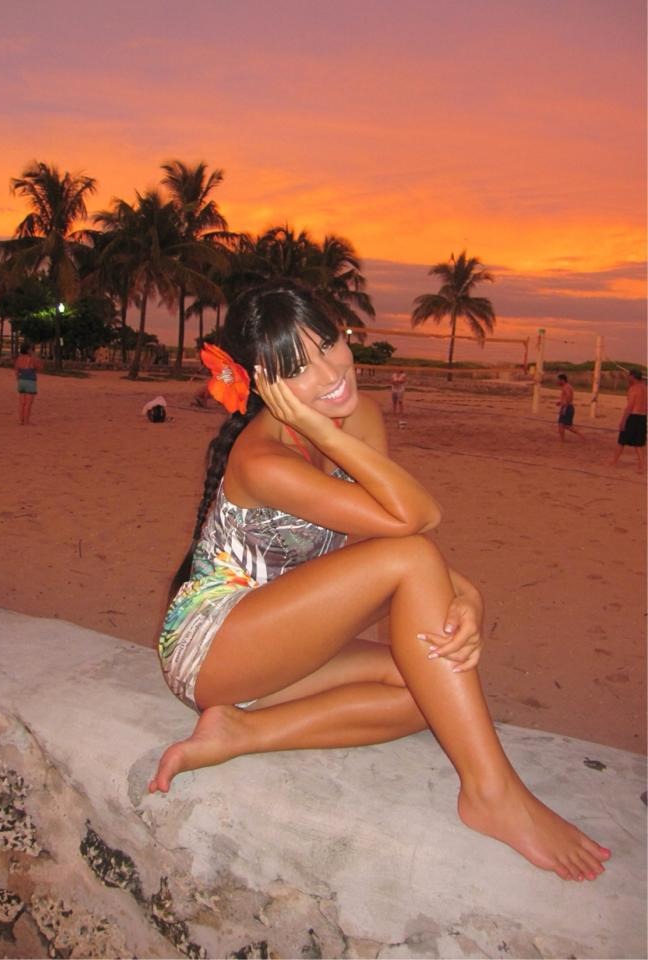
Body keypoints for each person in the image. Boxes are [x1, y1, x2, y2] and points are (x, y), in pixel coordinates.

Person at [150, 280, 610, 882]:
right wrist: (325, 432)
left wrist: (466, 594)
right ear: (262, 385)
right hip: (211, 647)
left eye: (328, 344)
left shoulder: (360, 415)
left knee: (430, 691)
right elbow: (417, 519)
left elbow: (375, 539)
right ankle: (491, 793)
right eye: (298, 368)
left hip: (281, 638)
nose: (331, 373)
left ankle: (242, 731)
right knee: (415, 559)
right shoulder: (263, 459)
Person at [610, 369, 647, 472]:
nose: (627, 378)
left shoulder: (633, 389)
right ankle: (641, 465)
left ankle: (614, 461)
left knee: (621, 441)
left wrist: (623, 421)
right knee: (639, 443)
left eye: (629, 376)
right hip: (642, 417)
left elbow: (630, 406)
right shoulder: (645, 388)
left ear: (632, 377)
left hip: (633, 416)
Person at [14, 342, 42, 425]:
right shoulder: (31, 359)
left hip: (21, 381)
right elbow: (40, 367)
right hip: (30, 382)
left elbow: (16, 371)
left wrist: (19, 379)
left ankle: (21, 420)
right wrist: (34, 356)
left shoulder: (19, 359)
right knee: (28, 403)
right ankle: (26, 421)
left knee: (22, 403)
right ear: (28, 350)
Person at [556, 374, 584, 442]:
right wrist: (561, 402)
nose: (557, 382)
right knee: (564, 425)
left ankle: (581, 436)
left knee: (563, 425)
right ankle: (563, 439)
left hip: (567, 407)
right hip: (567, 407)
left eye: (558, 380)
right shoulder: (567, 386)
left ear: (562, 380)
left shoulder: (566, 387)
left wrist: (565, 407)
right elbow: (567, 397)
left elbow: (569, 397)